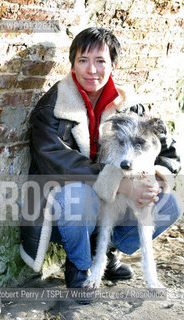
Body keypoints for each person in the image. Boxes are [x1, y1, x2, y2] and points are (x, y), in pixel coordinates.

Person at [20, 27, 181, 292]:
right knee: (78, 196)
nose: (91, 70)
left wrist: (156, 178)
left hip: (111, 208)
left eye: (100, 61)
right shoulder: (50, 109)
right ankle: (79, 264)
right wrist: (121, 184)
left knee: (170, 204)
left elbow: (167, 149)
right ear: (72, 64)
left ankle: (105, 251)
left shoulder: (130, 106)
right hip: (64, 209)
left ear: (114, 65)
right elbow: (60, 166)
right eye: (83, 61)